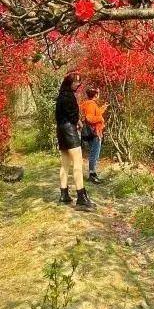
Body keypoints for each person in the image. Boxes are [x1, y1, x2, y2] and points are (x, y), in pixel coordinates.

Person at [55, 72, 94, 210]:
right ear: (69, 83)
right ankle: (81, 198)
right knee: (78, 162)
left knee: (65, 164)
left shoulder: (60, 96)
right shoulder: (69, 97)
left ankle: (64, 194)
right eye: (76, 82)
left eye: (79, 82)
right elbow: (72, 116)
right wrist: (78, 123)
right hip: (69, 131)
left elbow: (61, 116)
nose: (78, 84)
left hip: (60, 131)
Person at [79, 87, 108, 184]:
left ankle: (93, 173)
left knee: (94, 153)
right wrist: (101, 119)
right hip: (95, 132)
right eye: (98, 93)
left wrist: (102, 108)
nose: (99, 94)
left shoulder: (89, 103)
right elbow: (89, 118)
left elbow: (94, 113)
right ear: (95, 94)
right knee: (94, 154)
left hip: (93, 132)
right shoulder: (91, 104)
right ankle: (92, 175)